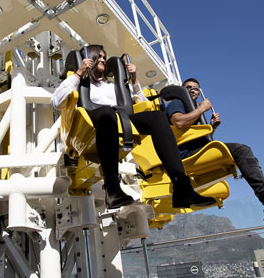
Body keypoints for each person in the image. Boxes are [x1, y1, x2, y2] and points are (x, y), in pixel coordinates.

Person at [51, 45, 216, 210]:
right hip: (92, 121)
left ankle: (182, 186)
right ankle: (112, 189)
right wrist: (79, 73)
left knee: (158, 117)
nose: (102, 59)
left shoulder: (112, 85)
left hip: (119, 119)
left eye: (104, 57)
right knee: (107, 113)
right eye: (98, 56)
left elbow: (141, 101)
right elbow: (56, 102)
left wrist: (134, 79)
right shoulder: (78, 81)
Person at [166, 78, 264, 225]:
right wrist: (202, 109)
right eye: (188, 87)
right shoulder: (178, 103)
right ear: (181, 90)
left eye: (196, 88)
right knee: (241, 151)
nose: (192, 90)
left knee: (247, 157)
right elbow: (179, 122)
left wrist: (212, 127)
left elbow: (196, 138)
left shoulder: (194, 108)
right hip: (186, 156)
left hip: (197, 151)